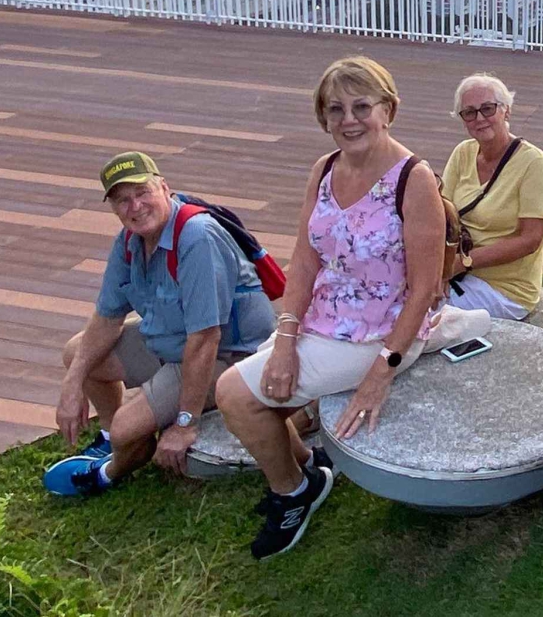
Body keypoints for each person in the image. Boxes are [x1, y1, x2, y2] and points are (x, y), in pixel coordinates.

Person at [214, 57, 444, 560]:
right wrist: (286, 337)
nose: (349, 119)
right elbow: (304, 258)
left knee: (233, 393)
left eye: (362, 106)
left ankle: (293, 492)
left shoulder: (414, 180)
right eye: (335, 109)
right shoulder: (324, 169)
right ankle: (305, 473)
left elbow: (425, 289)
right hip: (324, 319)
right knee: (262, 392)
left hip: (381, 333)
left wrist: (381, 372)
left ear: (388, 110)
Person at [43, 152, 275, 497]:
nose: (135, 207)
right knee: (77, 353)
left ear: (164, 188)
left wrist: (185, 423)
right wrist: (71, 383)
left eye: (142, 192)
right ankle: (110, 439)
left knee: (127, 429)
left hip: (228, 356)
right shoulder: (129, 241)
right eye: (122, 200)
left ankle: (109, 471)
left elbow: (205, 339)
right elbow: (107, 317)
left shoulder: (197, 237)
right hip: (172, 341)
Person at [440, 73, 543, 320]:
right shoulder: (463, 153)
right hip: (458, 273)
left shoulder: (533, 163)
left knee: (416, 313)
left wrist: (463, 262)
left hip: (505, 288)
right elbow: (442, 214)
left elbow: (530, 240)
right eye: (469, 112)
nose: (479, 118)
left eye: (488, 108)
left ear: (507, 111)